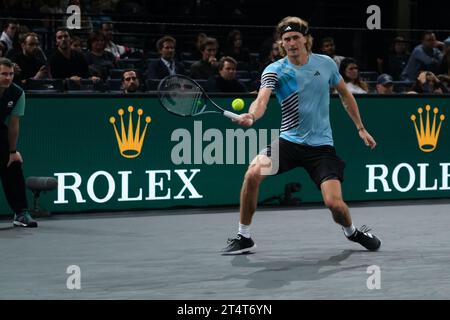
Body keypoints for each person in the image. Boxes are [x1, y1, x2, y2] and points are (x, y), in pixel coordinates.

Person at [222, 16, 381, 255]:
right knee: (253, 173)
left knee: (334, 205)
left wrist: (360, 127)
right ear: (281, 44)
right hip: (289, 142)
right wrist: (252, 116)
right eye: (287, 39)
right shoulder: (274, 70)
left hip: (321, 149)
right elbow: (262, 100)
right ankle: (244, 237)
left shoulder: (326, 64)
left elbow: (345, 96)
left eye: (296, 37)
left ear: (306, 40)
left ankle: (353, 232)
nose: (292, 43)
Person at [0, 58, 37, 227]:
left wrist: (12, 151)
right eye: (3, 74)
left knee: (13, 165)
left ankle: (21, 213)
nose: (8, 78)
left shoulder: (17, 93)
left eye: (11, 74)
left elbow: (14, 124)